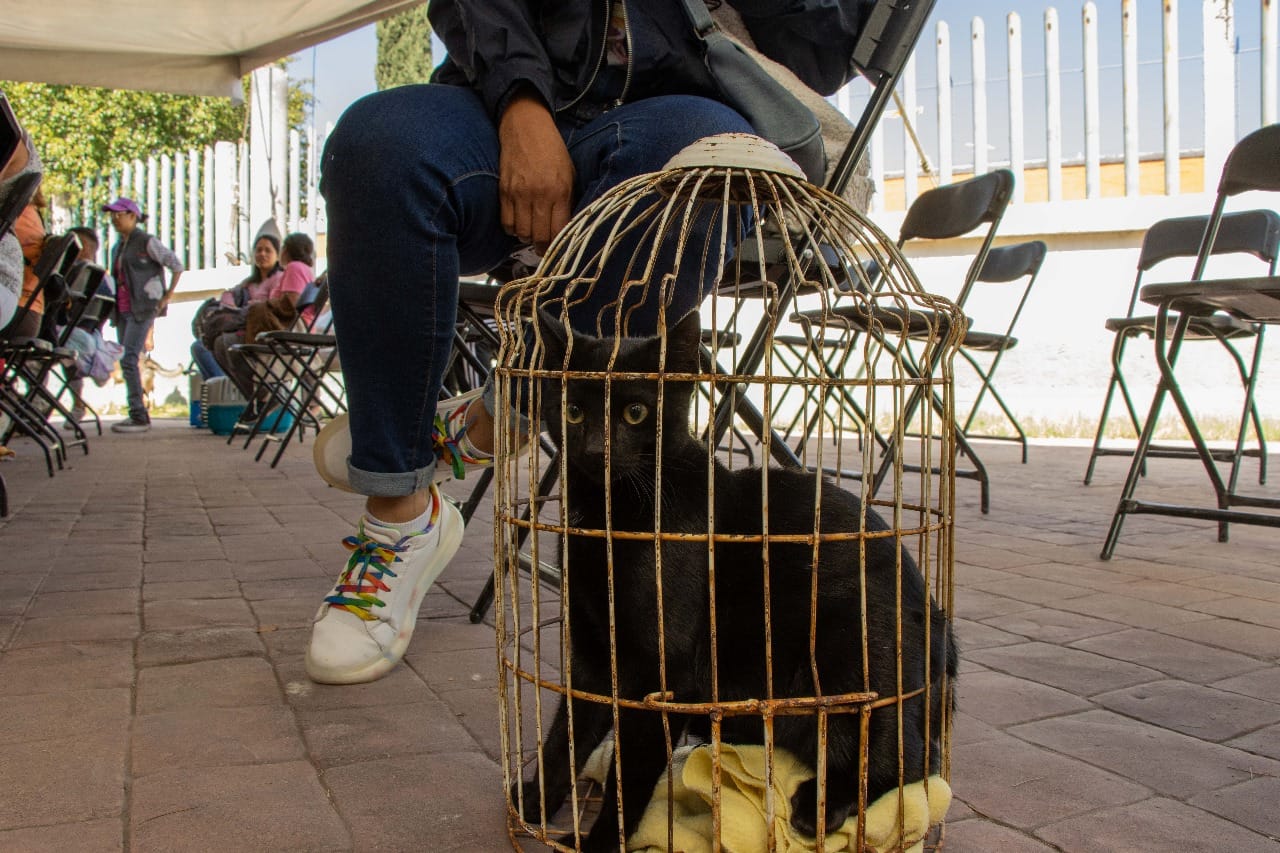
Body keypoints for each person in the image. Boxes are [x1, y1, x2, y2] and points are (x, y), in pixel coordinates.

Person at [304, 0, 867, 685]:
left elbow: (824, 53)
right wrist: (520, 101)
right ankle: (401, 512)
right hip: (505, 93)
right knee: (377, 145)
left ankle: (498, 410)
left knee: (706, 169)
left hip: (679, 99)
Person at [212, 230, 316, 423]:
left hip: (288, 331)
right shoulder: (294, 270)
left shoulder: (293, 268)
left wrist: (261, 306)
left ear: (284, 251)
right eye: (258, 250)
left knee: (226, 343)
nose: (262, 254)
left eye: (270, 249)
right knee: (222, 343)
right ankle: (262, 395)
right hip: (279, 328)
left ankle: (266, 393)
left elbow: (292, 305)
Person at [103, 196, 184, 433]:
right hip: (124, 309)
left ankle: (138, 415)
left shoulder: (146, 242)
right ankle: (137, 412)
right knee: (130, 359)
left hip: (143, 308)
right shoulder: (118, 247)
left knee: (129, 359)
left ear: (133, 216)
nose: (115, 220)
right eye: (112, 215)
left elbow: (175, 264)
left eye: (120, 214)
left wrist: (167, 296)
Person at [61, 226, 117, 427]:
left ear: (82, 247)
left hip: (70, 333)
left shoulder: (76, 274)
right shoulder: (107, 279)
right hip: (90, 334)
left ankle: (36, 406)